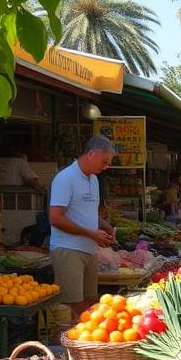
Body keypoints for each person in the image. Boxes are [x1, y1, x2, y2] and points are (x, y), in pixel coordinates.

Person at [48, 135, 117, 317]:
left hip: (89, 250)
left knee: (90, 300)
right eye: (104, 161)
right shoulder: (65, 178)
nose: (106, 166)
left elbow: (87, 212)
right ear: (91, 154)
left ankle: (86, 340)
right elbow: (55, 218)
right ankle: (70, 342)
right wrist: (91, 234)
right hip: (68, 249)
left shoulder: (93, 179)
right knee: (72, 303)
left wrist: (105, 226)